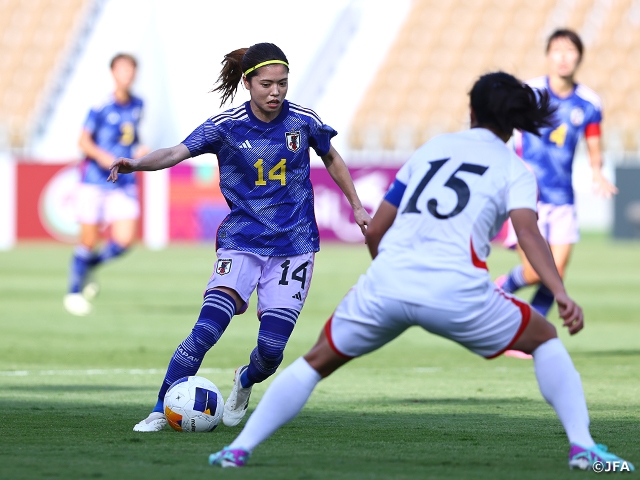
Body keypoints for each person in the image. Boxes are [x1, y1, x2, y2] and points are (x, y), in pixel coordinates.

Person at [208, 72, 634, 472]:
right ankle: (583, 447)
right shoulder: (513, 169)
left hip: (388, 283)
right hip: (458, 292)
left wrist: (389, 272)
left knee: (314, 362)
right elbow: (528, 234)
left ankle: (237, 449)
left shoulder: (433, 148)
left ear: (471, 111)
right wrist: (559, 292)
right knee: (544, 338)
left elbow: (377, 228)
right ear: (515, 123)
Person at [108, 43, 371, 432]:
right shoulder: (226, 126)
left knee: (270, 353)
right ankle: (160, 410)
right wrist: (138, 164)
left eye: (282, 83)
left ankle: (244, 381)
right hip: (242, 242)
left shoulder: (303, 121)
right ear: (248, 82)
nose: (276, 92)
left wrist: (357, 204)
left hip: (294, 248)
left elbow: (331, 156)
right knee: (206, 329)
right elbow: (175, 153)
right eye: (267, 84)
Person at [496, 30, 617, 359]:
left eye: (570, 50)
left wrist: (596, 172)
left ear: (579, 56)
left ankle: (524, 338)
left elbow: (593, 141)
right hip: (527, 196)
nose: (563, 56)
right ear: (548, 55)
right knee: (536, 271)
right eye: (557, 50)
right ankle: (499, 289)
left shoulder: (589, 102)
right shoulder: (530, 93)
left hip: (563, 198)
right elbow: (504, 130)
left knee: (556, 277)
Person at [64, 53, 147, 317]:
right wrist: (105, 159)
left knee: (124, 241)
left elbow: (130, 137)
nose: (127, 74)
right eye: (122, 69)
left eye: (131, 70)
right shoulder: (101, 105)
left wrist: (139, 150)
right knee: (88, 240)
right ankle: (74, 291)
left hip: (122, 183)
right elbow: (83, 141)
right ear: (113, 73)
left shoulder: (137, 105)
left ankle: (89, 267)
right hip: (94, 181)